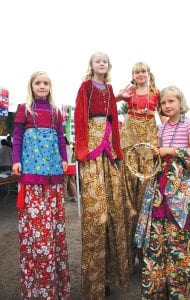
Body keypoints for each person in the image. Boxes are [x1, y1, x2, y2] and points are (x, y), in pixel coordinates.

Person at [134, 86, 190, 299]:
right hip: (160, 190)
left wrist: (170, 151)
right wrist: (156, 154)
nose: (167, 106)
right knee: (159, 239)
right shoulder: (161, 129)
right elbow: (160, 157)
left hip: (182, 193)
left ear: (180, 102)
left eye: (171, 101)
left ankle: (181, 292)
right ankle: (159, 291)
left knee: (180, 238)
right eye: (163, 103)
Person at [12, 71, 71, 299]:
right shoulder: (23, 109)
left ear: (50, 87)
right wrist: (16, 160)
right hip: (30, 175)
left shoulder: (56, 112)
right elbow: (16, 137)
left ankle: (55, 285)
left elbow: (59, 137)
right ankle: (36, 285)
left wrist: (64, 158)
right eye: (38, 82)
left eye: (46, 83)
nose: (42, 86)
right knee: (35, 222)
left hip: (53, 175)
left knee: (53, 221)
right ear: (31, 86)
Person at [74, 52, 129, 299]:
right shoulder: (85, 87)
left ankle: (108, 277)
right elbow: (79, 116)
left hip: (108, 150)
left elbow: (113, 120)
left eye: (105, 60)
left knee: (114, 213)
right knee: (96, 216)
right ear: (91, 65)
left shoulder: (108, 88)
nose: (101, 63)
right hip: (92, 151)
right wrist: (82, 149)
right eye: (98, 60)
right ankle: (93, 282)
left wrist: (116, 150)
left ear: (108, 66)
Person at [116, 62, 165, 272]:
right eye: (136, 72)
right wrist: (120, 95)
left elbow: (163, 116)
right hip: (130, 137)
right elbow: (113, 101)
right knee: (128, 183)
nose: (140, 74)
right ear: (133, 75)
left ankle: (145, 251)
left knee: (146, 188)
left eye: (143, 71)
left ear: (148, 74)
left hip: (148, 138)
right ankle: (127, 255)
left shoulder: (156, 92)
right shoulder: (129, 92)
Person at [63, 137, 77, 201]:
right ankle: (74, 196)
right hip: (73, 166)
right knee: (72, 182)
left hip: (66, 166)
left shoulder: (62, 148)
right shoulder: (70, 147)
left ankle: (64, 197)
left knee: (64, 182)